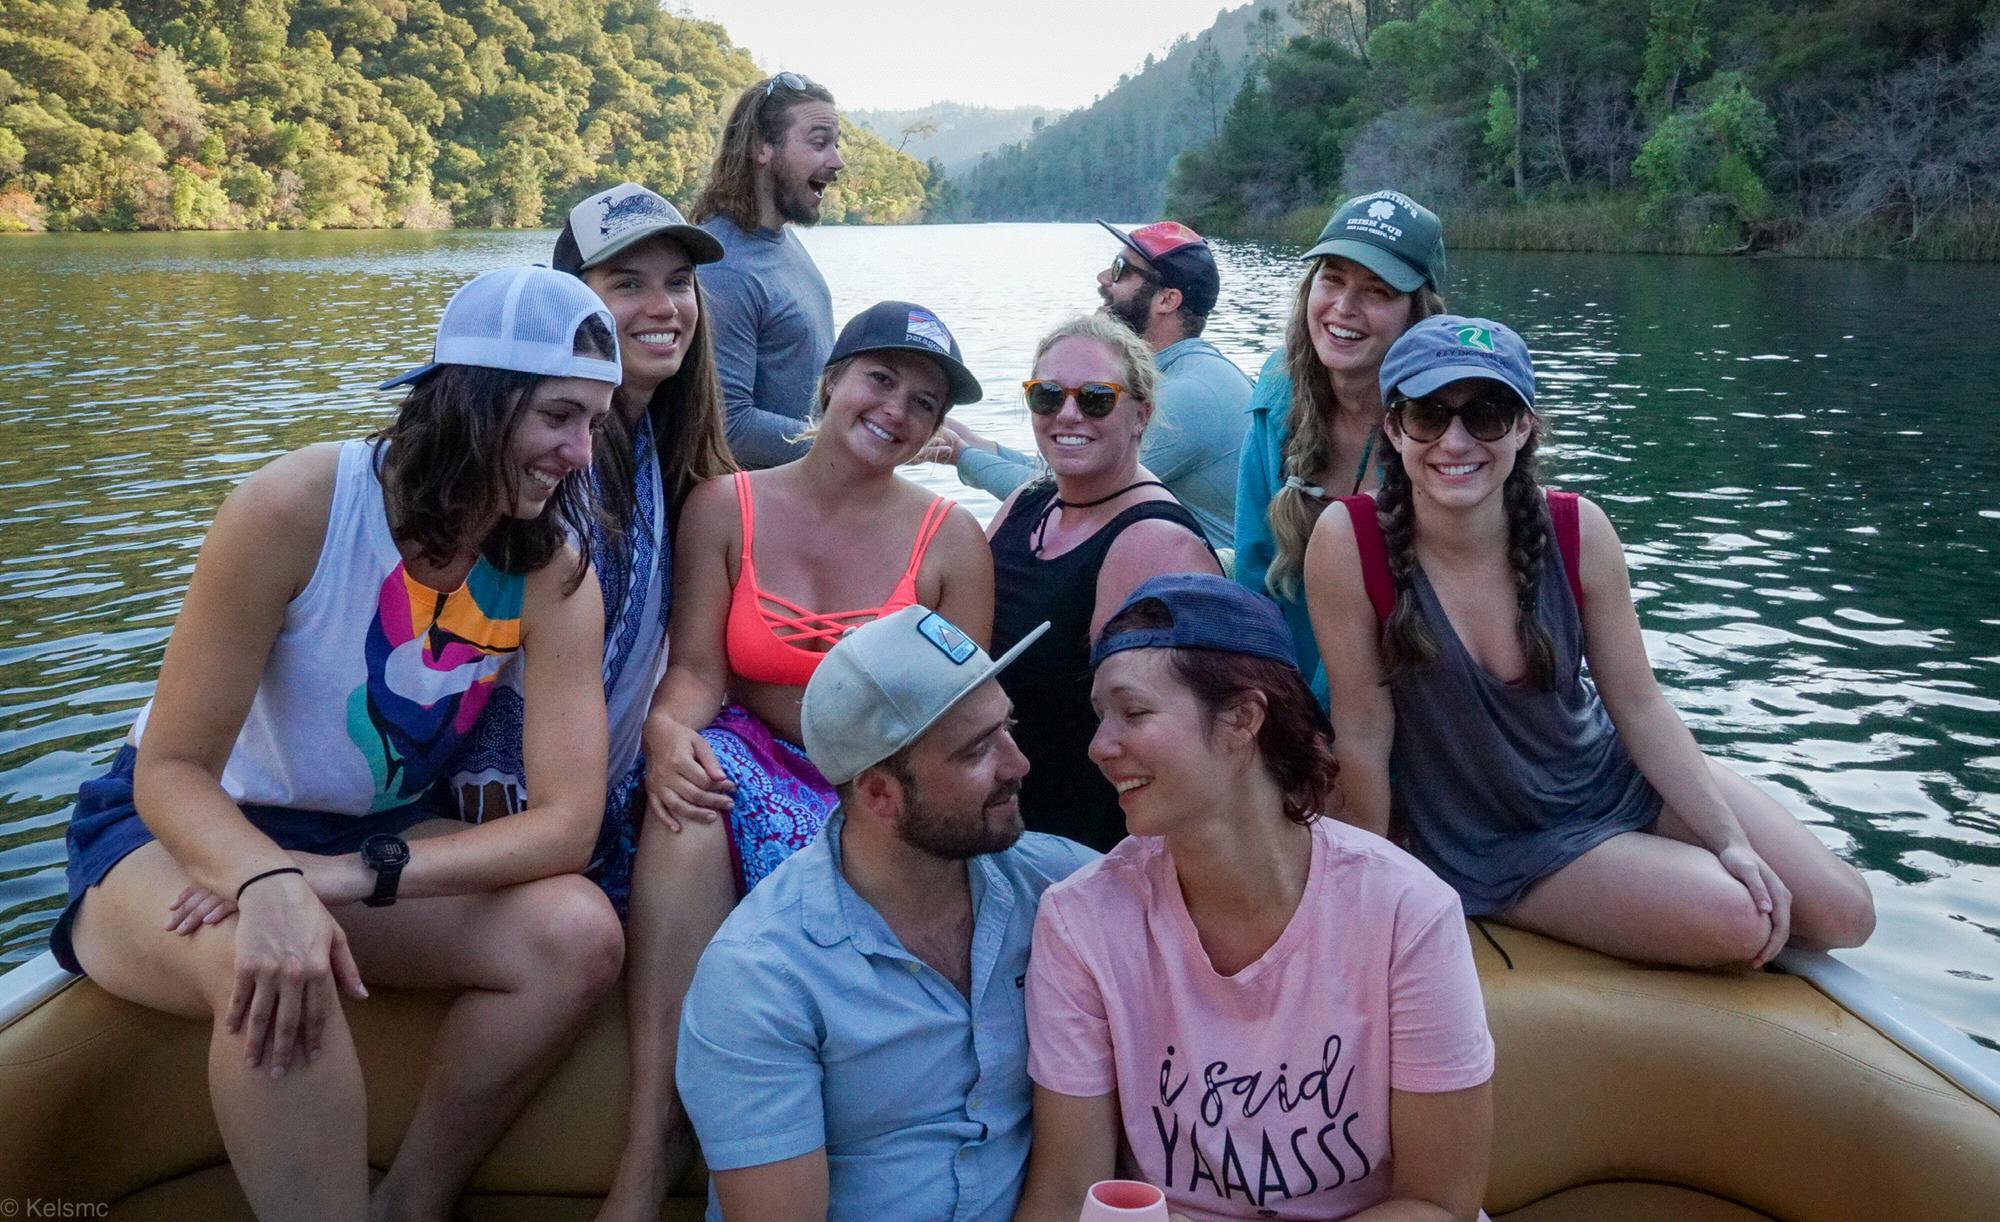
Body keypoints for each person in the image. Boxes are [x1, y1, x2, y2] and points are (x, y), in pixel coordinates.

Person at [49, 266, 628, 1221]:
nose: (579, 451)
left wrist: (349, 875)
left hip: (364, 838)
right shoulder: (300, 507)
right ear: (477, 401)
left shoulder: (550, 571)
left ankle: (413, 1202)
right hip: (183, 834)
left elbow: (567, 826)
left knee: (575, 935)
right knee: (271, 958)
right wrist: (265, 880)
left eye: (595, 424)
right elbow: (172, 771)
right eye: (558, 416)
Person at [1305, 316, 1877, 970]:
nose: (1455, 441)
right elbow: (1364, 731)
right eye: (1429, 415)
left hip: (1609, 775)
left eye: (1487, 414)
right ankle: (1515, 896)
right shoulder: (1349, 544)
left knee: (1846, 912)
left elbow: (1638, 704)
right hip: (1493, 839)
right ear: (1394, 428)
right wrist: (1369, 891)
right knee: (1744, 920)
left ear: (1523, 427)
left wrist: (1729, 839)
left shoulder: (1579, 532)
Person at [605, 302, 994, 1221]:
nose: (897, 410)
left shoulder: (952, 543)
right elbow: (700, 671)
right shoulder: (726, 505)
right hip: (756, 752)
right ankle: (651, 1135)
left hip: (878, 785)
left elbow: (959, 723)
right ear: (830, 381)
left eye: (926, 403)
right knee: (690, 794)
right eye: (881, 379)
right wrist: (667, 732)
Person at [1015, 573, 1494, 1222]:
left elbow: (1441, 1203)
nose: (1100, 747)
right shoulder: (1081, 923)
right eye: (1100, 717)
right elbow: (1069, 1192)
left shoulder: (1406, 914)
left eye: (1133, 712)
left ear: (1242, 718)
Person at [677, 605, 1097, 1221]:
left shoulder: (1056, 886)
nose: (1018, 764)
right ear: (879, 794)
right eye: (978, 750)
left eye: (1009, 728)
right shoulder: (761, 976)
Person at [450, 182, 735, 916]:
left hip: (595, 792)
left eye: (678, 284)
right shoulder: (539, 459)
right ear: (568, 303)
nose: (663, 308)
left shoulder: (660, 445)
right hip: (498, 815)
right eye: (626, 284)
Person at [986, 313, 1221, 852]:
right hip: (1003, 818)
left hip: (1084, 844)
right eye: (1047, 396)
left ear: (1141, 414)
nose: (1067, 414)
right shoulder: (1028, 504)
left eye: (1095, 398)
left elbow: (1172, 744)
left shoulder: (1156, 543)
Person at [1233, 190, 1447, 704]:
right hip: (1290, 701)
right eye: (1332, 278)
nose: (1344, 308)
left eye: (1377, 291)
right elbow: (1254, 573)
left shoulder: (1447, 427)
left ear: (1416, 313)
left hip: (1412, 706)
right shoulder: (1276, 400)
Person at [929, 221, 1250, 548]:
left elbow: (1060, 494)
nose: (1103, 278)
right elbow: (1062, 468)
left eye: (1120, 269)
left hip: (1217, 591)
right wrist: (974, 442)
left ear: (1167, 300)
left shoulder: (1190, 395)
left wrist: (959, 454)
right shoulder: (1186, 374)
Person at [691, 72, 842, 468]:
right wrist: (850, 448)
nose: (837, 161)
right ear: (762, 147)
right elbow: (730, 426)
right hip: (755, 519)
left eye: (836, 144)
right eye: (819, 143)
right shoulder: (723, 267)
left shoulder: (784, 242)